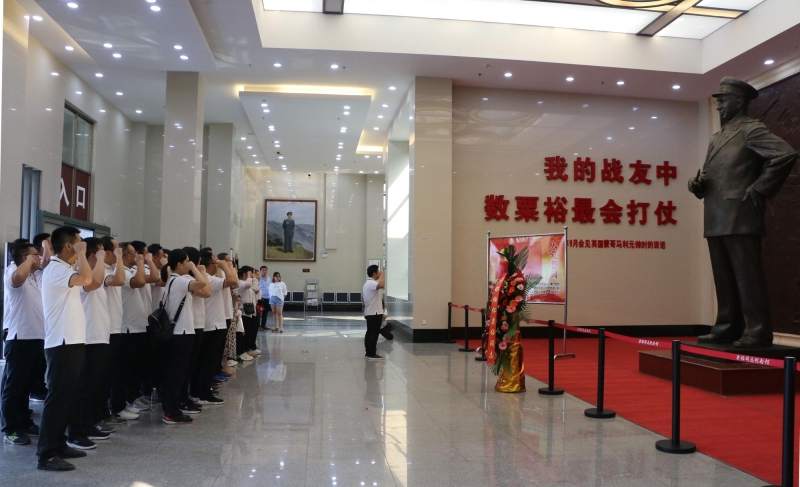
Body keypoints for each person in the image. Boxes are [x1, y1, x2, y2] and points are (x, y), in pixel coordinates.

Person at [688, 77, 798, 348]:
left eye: (723, 100)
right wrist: (698, 184)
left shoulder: (751, 130)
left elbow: (785, 154)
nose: (718, 106)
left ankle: (757, 330)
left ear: (739, 102)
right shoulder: (718, 137)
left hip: (740, 213)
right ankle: (727, 326)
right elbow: (714, 174)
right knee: (723, 276)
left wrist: (760, 188)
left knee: (747, 275)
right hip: (716, 213)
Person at [37, 226, 93, 471]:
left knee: (67, 397)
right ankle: (46, 455)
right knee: (58, 398)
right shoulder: (56, 269)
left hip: (72, 341)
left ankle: (59, 444)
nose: (83, 244)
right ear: (70, 245)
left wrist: (80, 257)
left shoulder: (65, 269)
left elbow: (89, 282)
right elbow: (87, 280)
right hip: (61, 343)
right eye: (80, 241)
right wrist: (81, 254)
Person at [1, 242, 44, 445]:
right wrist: (28, 261)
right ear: (26, 258)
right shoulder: (14, 271)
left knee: (27, 385)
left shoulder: (34, 277)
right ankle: (10, 429)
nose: (39, 258)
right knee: (14, 387)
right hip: (20, 339)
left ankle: (24, 421)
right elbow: (17, 277)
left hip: (36, 338)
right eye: (35, 255)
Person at [161, 249, 208, 425]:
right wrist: (195, 268)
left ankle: (173, 408)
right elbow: (202, 283)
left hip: (179, 333)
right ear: (179, 264)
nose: (189, 264)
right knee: (176, 374)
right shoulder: (180, 281)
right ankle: (171, 412)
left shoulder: (173, 280)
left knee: (176, 373)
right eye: (187, 261)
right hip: (181, 333)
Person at [110, 243, 146, 421]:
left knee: (132, 368)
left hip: (135, 327)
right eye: (134, 253)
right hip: (126, 328)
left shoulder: (126, 270)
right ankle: (118, 405)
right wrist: (141, 263)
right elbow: (140, 282)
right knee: (122, 370)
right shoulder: (120, 271)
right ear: (126, 255)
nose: (138, 255)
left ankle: (125, 401)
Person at [98, 237, 128, 425]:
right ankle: (102, 413)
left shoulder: (111, 268)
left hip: (116, 327)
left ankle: (108, 410)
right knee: (103, 376)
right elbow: (120, 280)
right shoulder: (102, 271)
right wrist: (120, 259)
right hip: (105, 330)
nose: (120, 252)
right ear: (107, 252)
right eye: (117, 249)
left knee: (111, 374)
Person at [181, 247, 211, 413]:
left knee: (192, 364)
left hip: (197, 324)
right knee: (186, 365)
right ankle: (182, 398)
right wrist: (201, 271)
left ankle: (186, 396)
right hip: (190, 325)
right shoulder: (186, 279)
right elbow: (206, 291)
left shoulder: (191, 278)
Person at [362, 265, 385, 360]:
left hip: (370, 312)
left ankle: (368, 352)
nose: (379, 273)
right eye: (378, 272)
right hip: (374, 313)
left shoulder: (366, 283)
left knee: (369, 332)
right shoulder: (372, 283)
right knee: (374, 334)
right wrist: (383, 275)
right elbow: (381, 285)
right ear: (374, 273)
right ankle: (371, 353)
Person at [238, 267, 261, 355]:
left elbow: (256, 289)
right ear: (245, 274)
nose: (252, 275)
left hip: (250, 311)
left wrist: (254, 279)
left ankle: (247, 349)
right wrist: (249, 276)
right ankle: (243, 351)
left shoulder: (249, 282)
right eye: (251, 273)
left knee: (249, 331)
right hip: (243, 311)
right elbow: (247, 285)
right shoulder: (240, 282)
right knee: (244, 333)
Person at [258, 266, 271, 331]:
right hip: (261, 298)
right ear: (260, 271)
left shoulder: (269, 278)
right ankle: (258, 326)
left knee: (265, 312)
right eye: (263, 270)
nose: (264, 271)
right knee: (259, 312)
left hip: (267, 297)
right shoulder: (258, 278)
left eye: (265, 270)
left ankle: (263, 325)